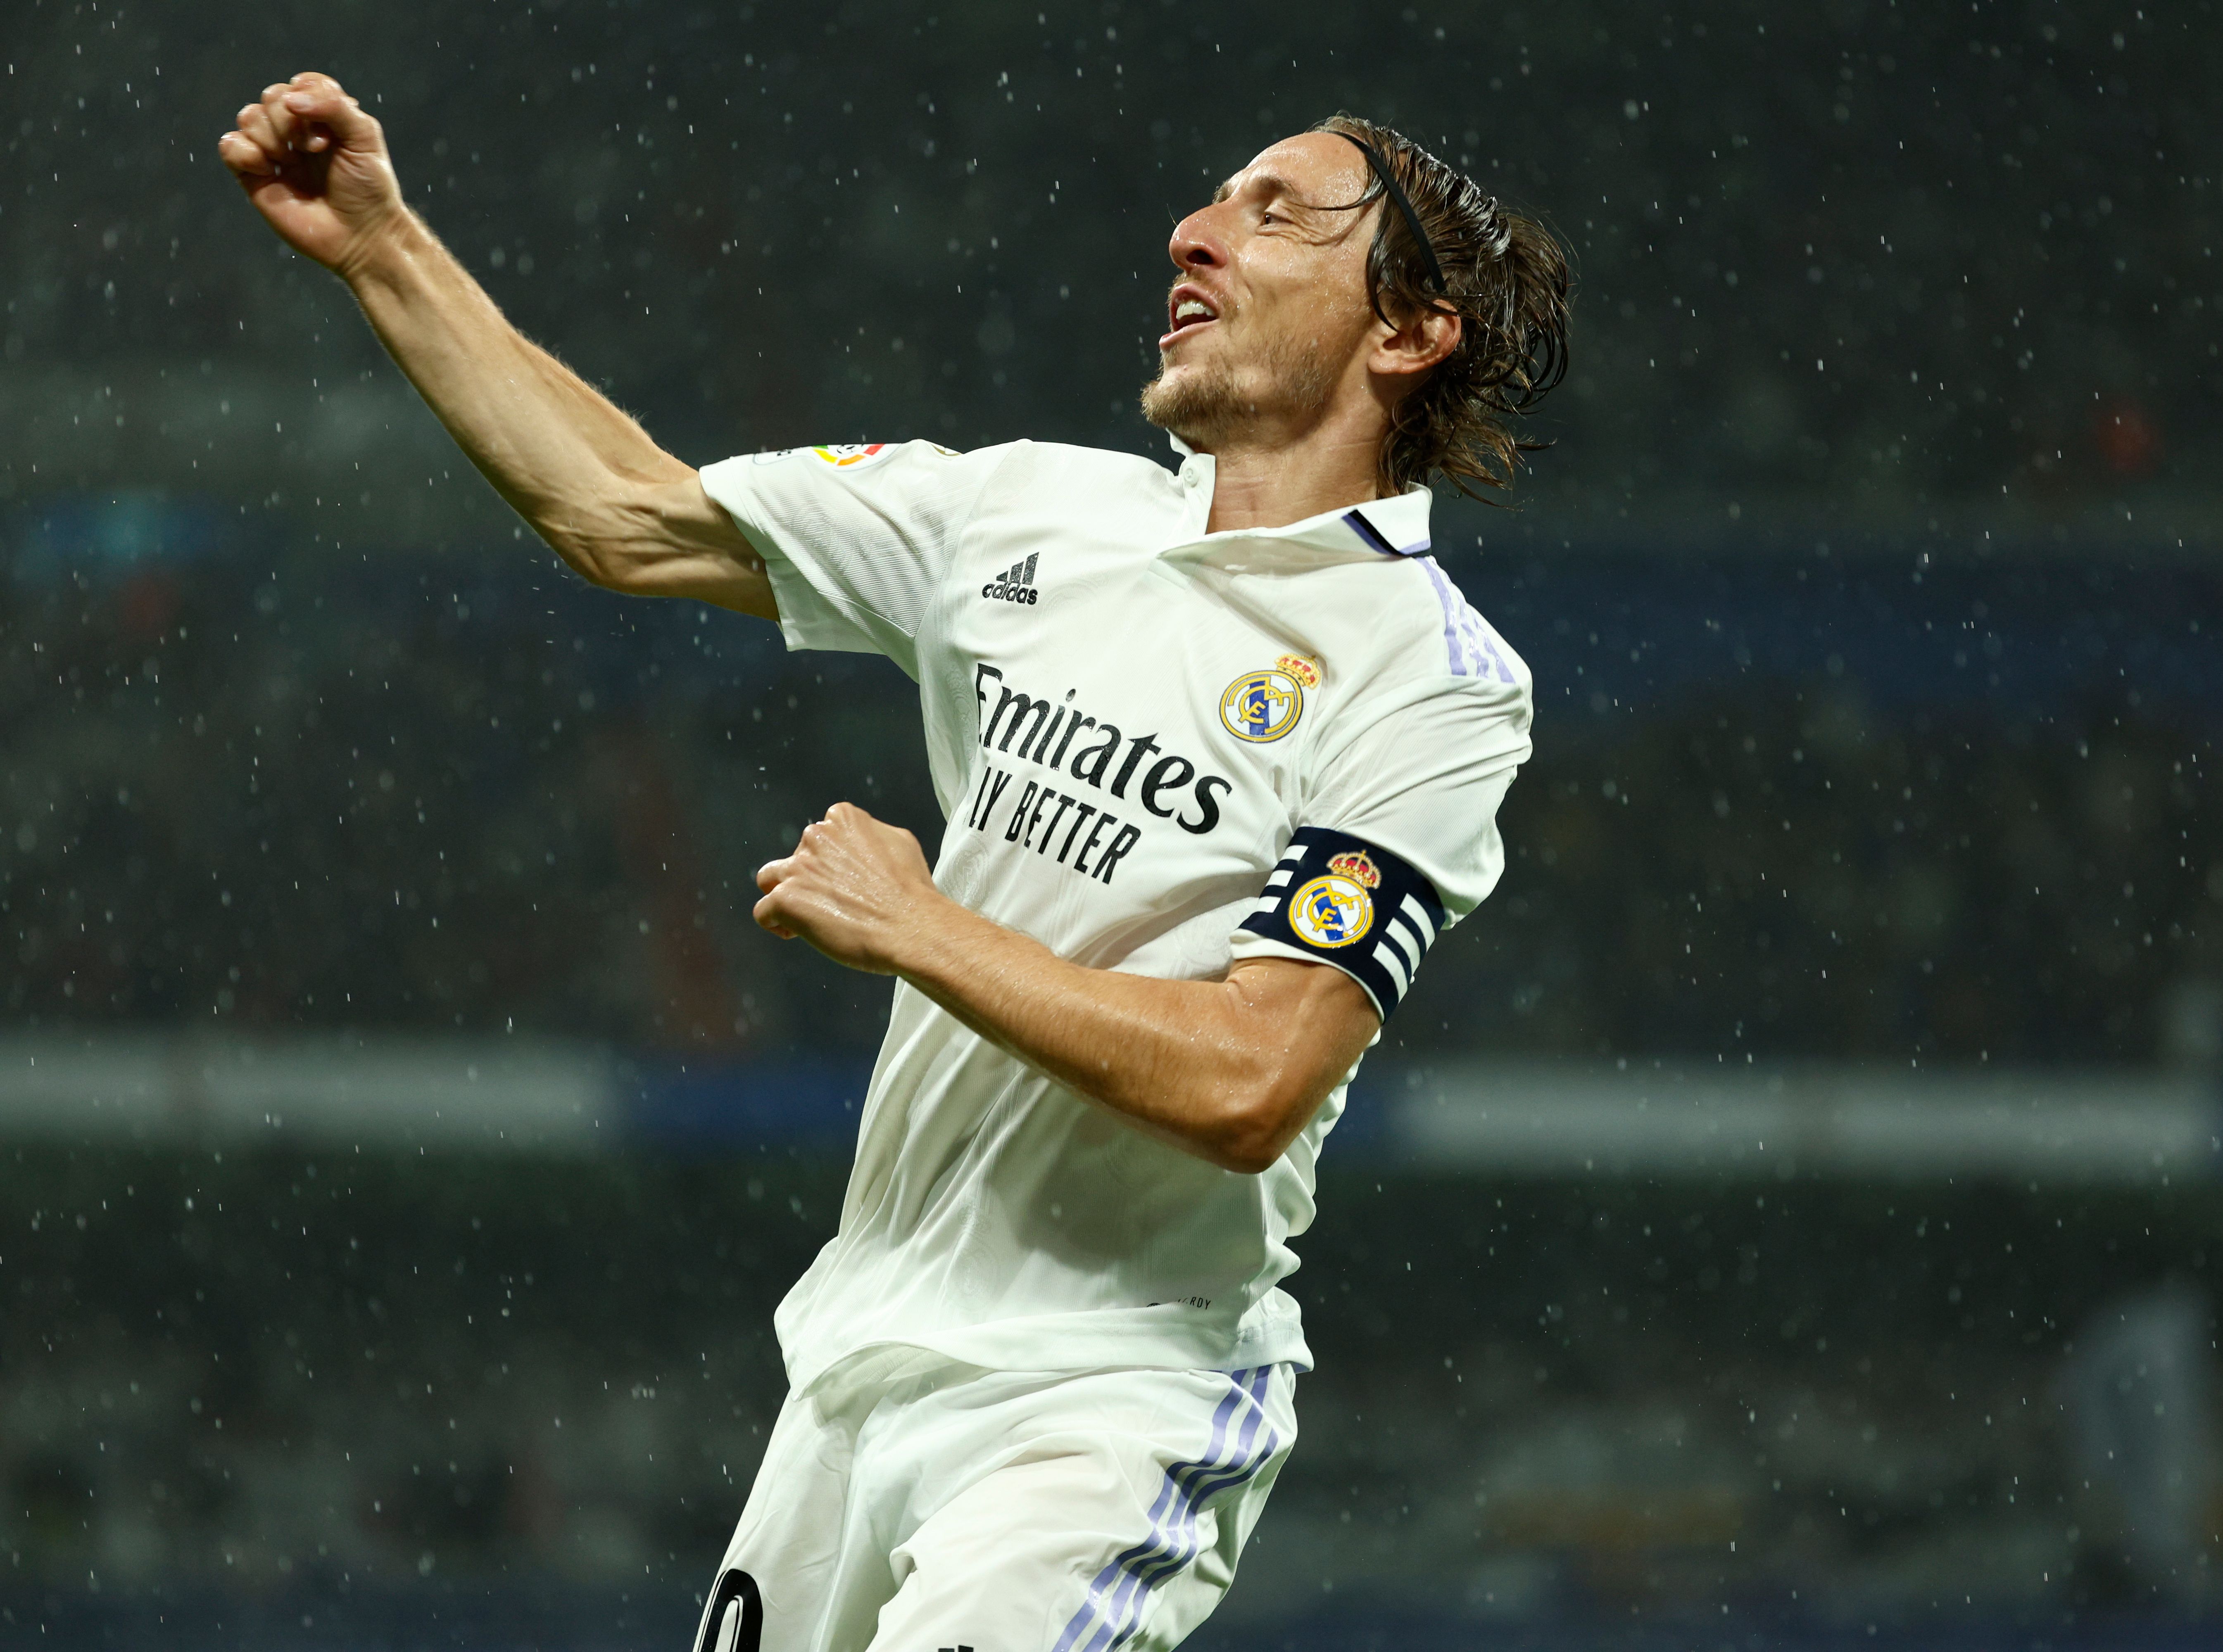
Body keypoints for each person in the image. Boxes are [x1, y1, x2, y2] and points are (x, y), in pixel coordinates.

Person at [219, 71, 1570, 1652]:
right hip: (857, 1372)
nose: (1195, 235)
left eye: (1276, 213)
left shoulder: (1427, 677)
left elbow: (1255, 1080)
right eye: (1212, 200)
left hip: (1104, 1394)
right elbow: (628, 518)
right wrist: (382, 246)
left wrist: (926, 929)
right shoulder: (1026, 512)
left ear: (1408, 332)